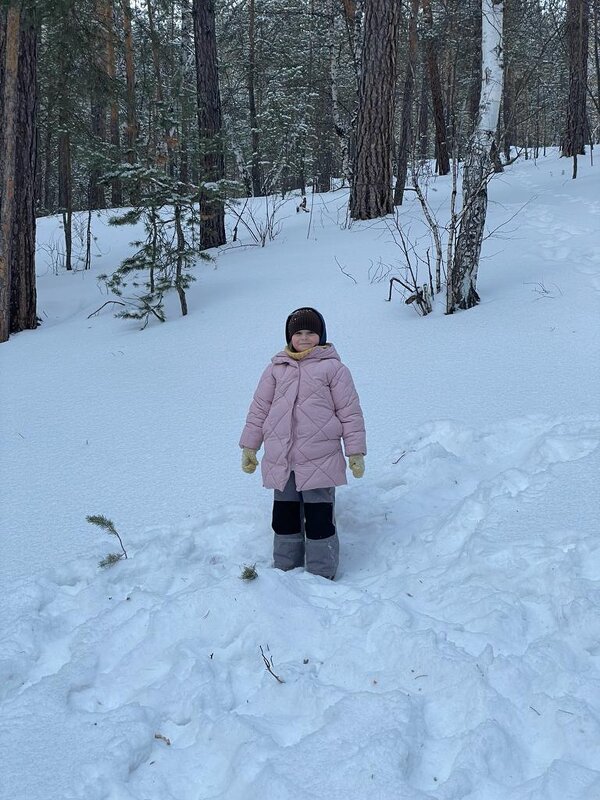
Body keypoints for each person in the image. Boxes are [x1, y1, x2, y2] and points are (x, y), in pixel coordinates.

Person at [239, 307, 366, 579]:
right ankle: (286, 570)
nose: (305, 338)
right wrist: (250, 446)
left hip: (320, 457)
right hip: (281, 458)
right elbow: (259, 409)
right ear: (289, 337)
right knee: (284, 516)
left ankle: (322, 572)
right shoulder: (276, 369)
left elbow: (350, 411)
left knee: (319, 518)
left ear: (321, 336)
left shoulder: (334, 369)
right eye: (299, 333)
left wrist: (355, 451)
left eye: (311, 332)